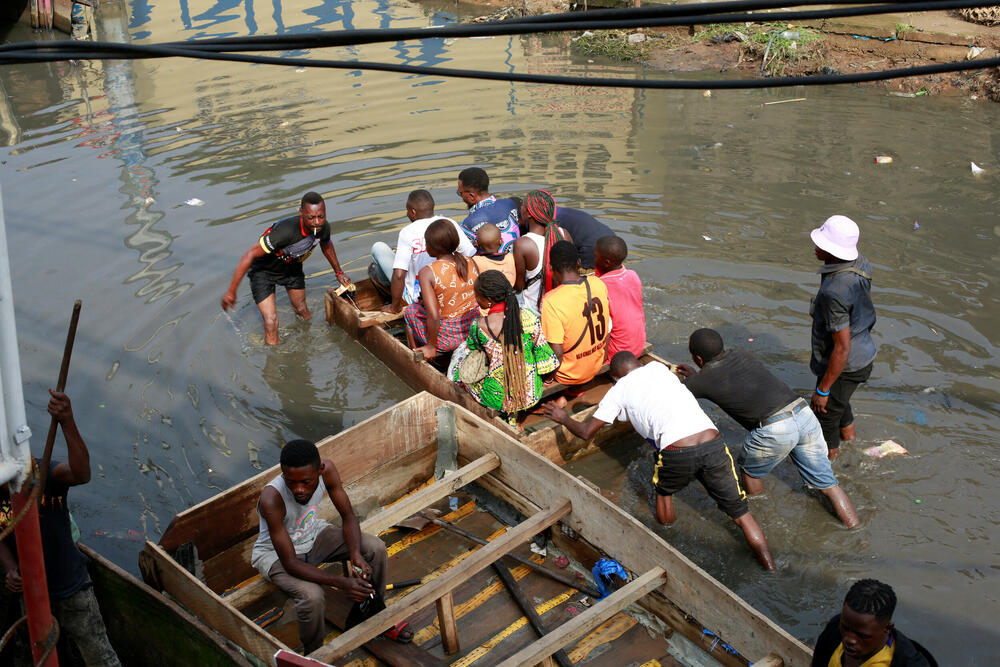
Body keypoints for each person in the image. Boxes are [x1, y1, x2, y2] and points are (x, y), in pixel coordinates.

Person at [543, 353, 776, 571]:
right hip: (712, 442)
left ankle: (668, 536)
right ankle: (770, 567)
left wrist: (563, 418)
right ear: (638, 364)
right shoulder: (659, 369)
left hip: (676, 451)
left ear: (615, 378)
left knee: (663, 491)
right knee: (741, 515)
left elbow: (586, 432)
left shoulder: (619, 390)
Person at [679, 329, 859, 528]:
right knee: (828, 485)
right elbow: (722, 376)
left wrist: (694, 379)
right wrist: (698, 377)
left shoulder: (700, 381)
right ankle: (854, 527)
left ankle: (760, 515)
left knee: (749, 471)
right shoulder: (740, 354)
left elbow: (677, 393)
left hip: (776, 428)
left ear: (697, 358)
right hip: (802, 412)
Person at [0, 391, 122, 666]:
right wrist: (9, 569)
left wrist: (67, 421)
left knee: (99, 655)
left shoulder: (38, 476)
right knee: (34, 654)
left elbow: (81, 473)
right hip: (30, 593)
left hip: (70, 587)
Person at [250, 439, 406, 653]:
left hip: (314, 535)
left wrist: (355, 555)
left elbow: (348, 515)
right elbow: (290, 563)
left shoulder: (328, 470)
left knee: (375, 548)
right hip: (276, 555)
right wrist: (341, 582)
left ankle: (374, 613)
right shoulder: (271, 498)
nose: (298, 490)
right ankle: (314, 654)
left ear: (320, 470)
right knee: (312, 596)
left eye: (306, 482)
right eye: (291, 482)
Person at [222, 192, 351, 346]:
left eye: (321, 216)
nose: (317, 222)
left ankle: (307, 341)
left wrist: (339, 272)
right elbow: (250, 254)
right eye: (311, 218)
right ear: (301, 213)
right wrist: (232, 290)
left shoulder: (323, 228)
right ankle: (273, 362)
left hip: (291, 267)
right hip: (263, 271)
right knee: (271, 322)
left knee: (302, 309)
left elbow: (326, 245)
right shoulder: (285, 232)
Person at [448, 271, 559, 423]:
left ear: (488, 300)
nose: (476, 300)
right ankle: (517, 417)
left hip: (497, 398)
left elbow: (473, 352)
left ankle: (510, 415)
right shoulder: (529, 317)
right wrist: (544, 382)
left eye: (477, 296)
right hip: (530, 393)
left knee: (459, 358)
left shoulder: (479, 326)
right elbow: (546, 358)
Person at [809, 215, 877, 459]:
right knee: (840, 403)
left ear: (832, 251)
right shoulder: (860, 263)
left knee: (822, 416)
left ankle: (829, 469)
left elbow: (842, 348)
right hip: (864, 352)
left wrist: (823, 390)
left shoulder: (834, 291)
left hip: (846, 363)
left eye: (821, 244)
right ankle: (851, 443)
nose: (815, 247)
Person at [369, 189, 475, 314]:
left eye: (408, 210)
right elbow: (471, 255)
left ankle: (385, 286)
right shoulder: (448, 223)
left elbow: (399, 275)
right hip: (450, 290)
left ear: (413, 212)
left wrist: (394, 307)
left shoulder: (407, 232)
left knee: (378, 247)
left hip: (417, 296)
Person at [812, 579, 937, 666]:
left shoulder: (908, 663)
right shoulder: (833, 632)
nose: (849, 640)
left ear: (887, 629)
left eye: (862, 636)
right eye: (845, 628)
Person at [403, 219, 480, 360]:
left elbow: (434, 316)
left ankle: (421, 352)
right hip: (473, 328)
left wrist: (432, 346)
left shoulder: (427, 272)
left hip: (448, 339)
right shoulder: (470, 261)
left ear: (434, 247)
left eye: (427, 243)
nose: (426, 247)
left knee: (410, 311)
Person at [540, 241, 611, 393]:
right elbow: (608, 329)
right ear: (579, 263)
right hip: (597, 363)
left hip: (569, 374)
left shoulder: (551, 301)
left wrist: (547, 380)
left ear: (551, 268)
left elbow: (557, 352)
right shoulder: (598, 283)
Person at [512, 189, 572, 311]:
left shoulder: (524, 244)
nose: (521, 207)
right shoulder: (564, 234)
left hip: (535, 312)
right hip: (564, 306)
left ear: (528, 214)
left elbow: (519, 285)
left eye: (523, 205)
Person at [594, 235, 646, 359]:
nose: (593, 258)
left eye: (595, 256)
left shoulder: (600, 286)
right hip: (638, 344)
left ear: (606, 262)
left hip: (616, 354)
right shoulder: (633, 275)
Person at [456, 167, 520, 252]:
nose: (461, 196)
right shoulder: (510, 204)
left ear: (471, 196)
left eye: (460, 193)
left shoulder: (468, 225)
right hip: (517, 260)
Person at [553, 205, 615, 270]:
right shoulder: (553, 208)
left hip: (592, 245)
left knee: (582, 278)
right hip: (611, 238)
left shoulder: (546, 218)